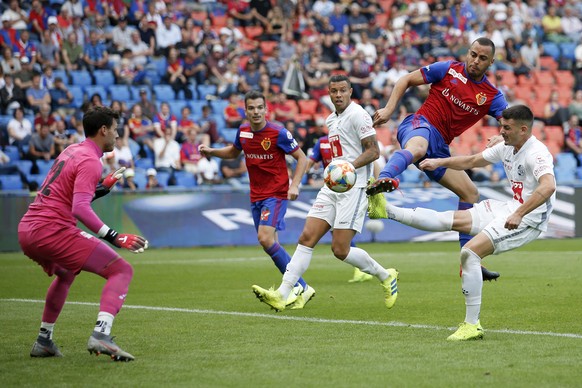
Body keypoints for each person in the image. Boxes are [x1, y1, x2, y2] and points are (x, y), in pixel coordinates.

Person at [379, 105, 555, 340]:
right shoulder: (508, 147)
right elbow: (472, 160)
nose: (500, 132)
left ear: (523, 130)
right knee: (449, 220)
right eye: (501, 126)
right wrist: (439, 163)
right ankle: (387, 211)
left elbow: (548, 186)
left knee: (469, 253)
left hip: (529, 218)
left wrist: (519, 214)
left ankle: (472, 325)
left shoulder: (537, 153)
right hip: (511, 207)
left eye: (506, 128)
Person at [251, 75, 399, 312]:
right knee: (307, 237)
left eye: (342, 90)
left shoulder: (358, 115)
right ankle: (282, 293)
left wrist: (348, 167)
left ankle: (385, 275)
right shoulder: (331, 119)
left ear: (350, 92)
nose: (338, 95)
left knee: (340, 250)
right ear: (329, 94)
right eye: (333, 91)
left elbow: (373, 151)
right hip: (332, 186)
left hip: (354, 187)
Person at [368, 37, 508, 282]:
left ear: (491, 62)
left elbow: (512, 122)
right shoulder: (448, 69)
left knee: (470, 193)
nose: (475, 61)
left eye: (482, 58)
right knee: (418, 147)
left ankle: (469, 260)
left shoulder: (491, 96)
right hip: (418, 124)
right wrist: (389, 109)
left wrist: (500, 136)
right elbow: (406, 79)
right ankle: (383, 179)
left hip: (440, 148)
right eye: (473, 54)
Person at [18, 106, 148, 361]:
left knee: (65, 273)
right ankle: (101, 334)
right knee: (121, 270)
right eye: (114, 129)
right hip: (51, 230)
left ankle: (44, 340)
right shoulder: (91, 160)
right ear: (103, 130)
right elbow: (79, 208)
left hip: (28, 228)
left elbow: (68, 193)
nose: (116, 134)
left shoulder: (72, 150)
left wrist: (102, 187)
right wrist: (114, 236)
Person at [199, 90, 313, 309]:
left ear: (266, 109)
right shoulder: (243, 132)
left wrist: (295, 184)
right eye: (251, 108)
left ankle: (298, 287)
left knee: (265, 238)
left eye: (260, 107)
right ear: (246, 110)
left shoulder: (278, 132)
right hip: (256, 196)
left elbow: (302, 158)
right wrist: (212, 151)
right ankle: (299, 287)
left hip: (276, 194)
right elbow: (233, 152)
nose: (256, 112)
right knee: (270, 243)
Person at [307, 134, 375, 284]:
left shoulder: (349, 141)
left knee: (339, 236)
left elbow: (372, 155)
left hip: (349, 190)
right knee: (335, 234)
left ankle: (365, 269)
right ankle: (362, 269)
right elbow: (311, 161)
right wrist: (300, 176)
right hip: (331, 190)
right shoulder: (322, 142)